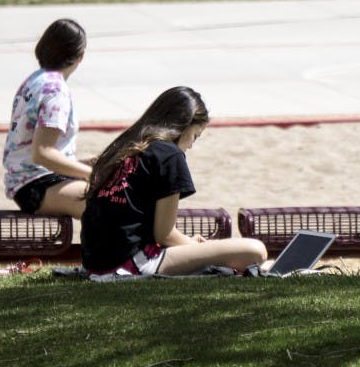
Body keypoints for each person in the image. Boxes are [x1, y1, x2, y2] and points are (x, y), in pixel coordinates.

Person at [81, 86, 268, 277]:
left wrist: (188, 244)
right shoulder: (169, 155)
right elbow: (164, 234)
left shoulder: (124, 146)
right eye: (195, 135)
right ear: (184, 126)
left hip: (95, 263)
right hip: (132, 263)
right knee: (255, 250)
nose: (192, 145)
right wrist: (193, 245)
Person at [2, 18, 92, 218]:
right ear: (80, 56)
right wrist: (93, 175)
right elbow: (42, 153)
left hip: (29, 181)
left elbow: (35, 149)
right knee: (118, 203)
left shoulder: (35, 80)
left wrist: (80, 164)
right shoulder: (56, 91)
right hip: (36, 185)